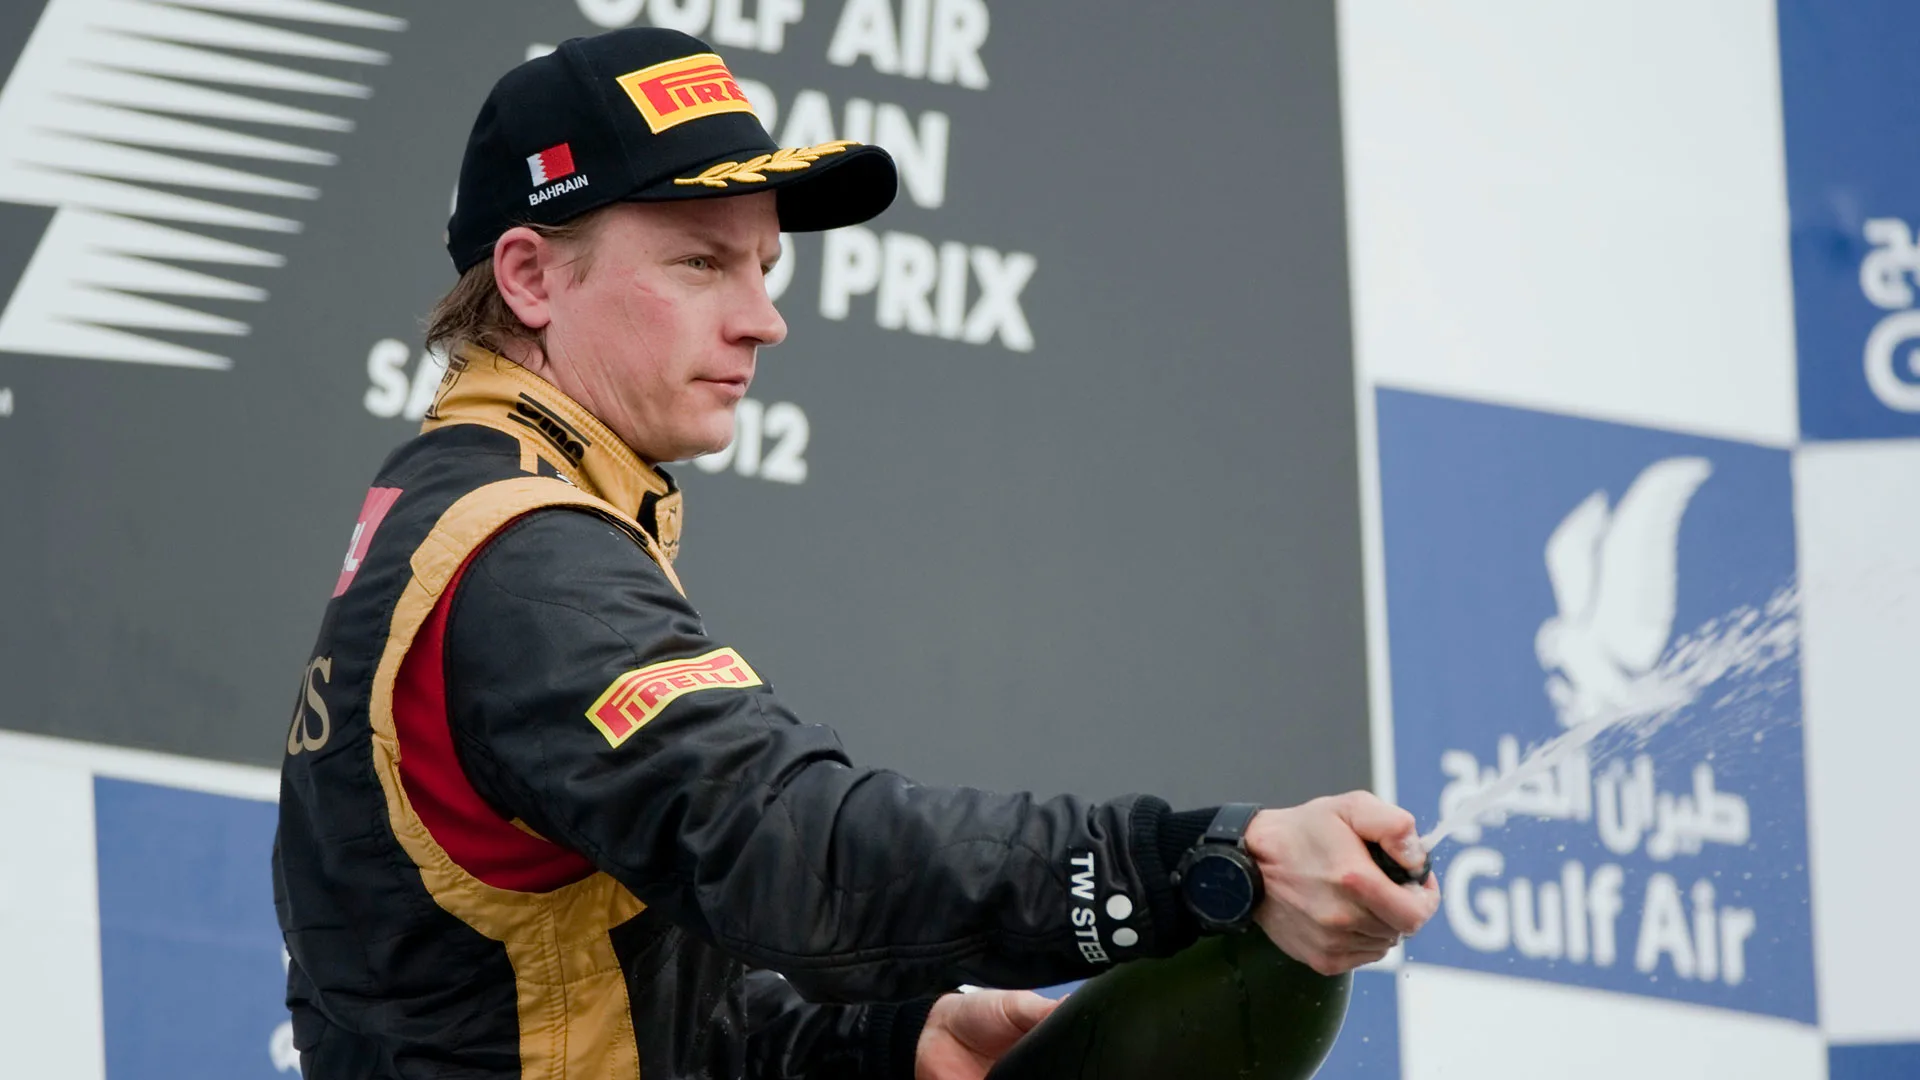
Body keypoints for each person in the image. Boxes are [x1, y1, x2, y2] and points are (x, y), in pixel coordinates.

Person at [271, 26, 1440, 1080]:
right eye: (699, 263)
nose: (763, 317)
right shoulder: (526, 562)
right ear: (530, 276)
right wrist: (1202, 860)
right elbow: (800, 855)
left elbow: (579, 1014)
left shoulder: (464, 515)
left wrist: (889, 1041)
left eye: (764, 268)